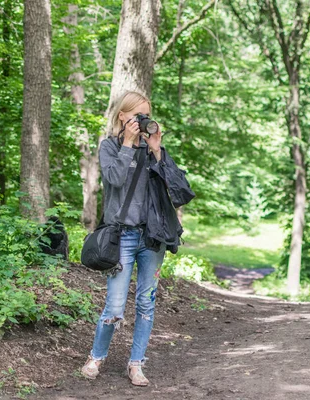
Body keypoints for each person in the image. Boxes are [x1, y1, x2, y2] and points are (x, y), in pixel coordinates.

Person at [80, 91, 193, 386]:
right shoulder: (109, 147)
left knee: (146, 302)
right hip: (123, 237)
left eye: (146, 116)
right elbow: (115, 179)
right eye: (137, 116)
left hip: (153, 239)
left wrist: (158, 151)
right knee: (115, 306)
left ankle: (136, 363)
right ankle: (96, 357)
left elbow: (181, 193)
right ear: (122, 116)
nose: (142, 122)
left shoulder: (152, 150)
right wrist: (128, 145)